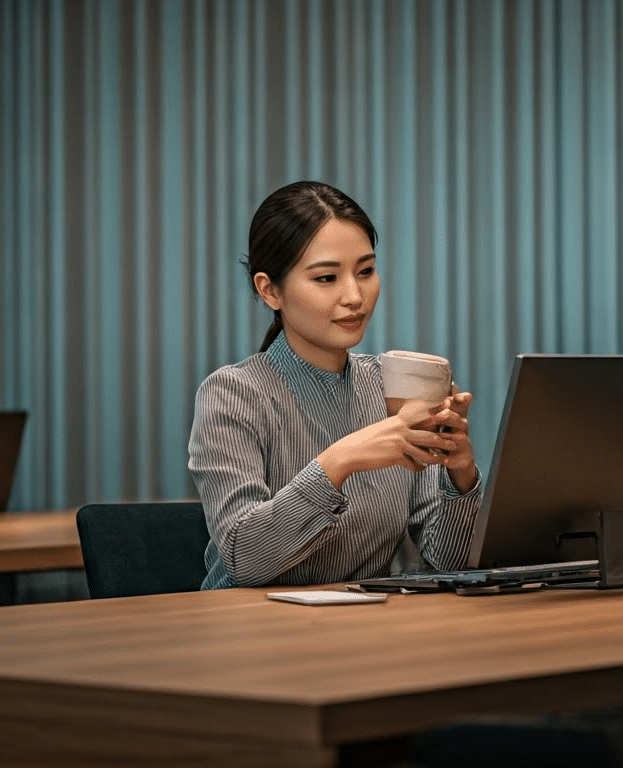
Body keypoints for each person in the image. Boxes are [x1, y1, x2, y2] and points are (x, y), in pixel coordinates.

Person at [188, 180, 482, 589]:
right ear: (269, 289)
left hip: (364, 632)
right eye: (326, 278)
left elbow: (446, 563)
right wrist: (341, 460)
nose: (354, 296)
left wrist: (460, 474)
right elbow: (245, 560)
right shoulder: (233, 395)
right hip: (253, 633)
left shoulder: (390, 385)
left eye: (366, 271)